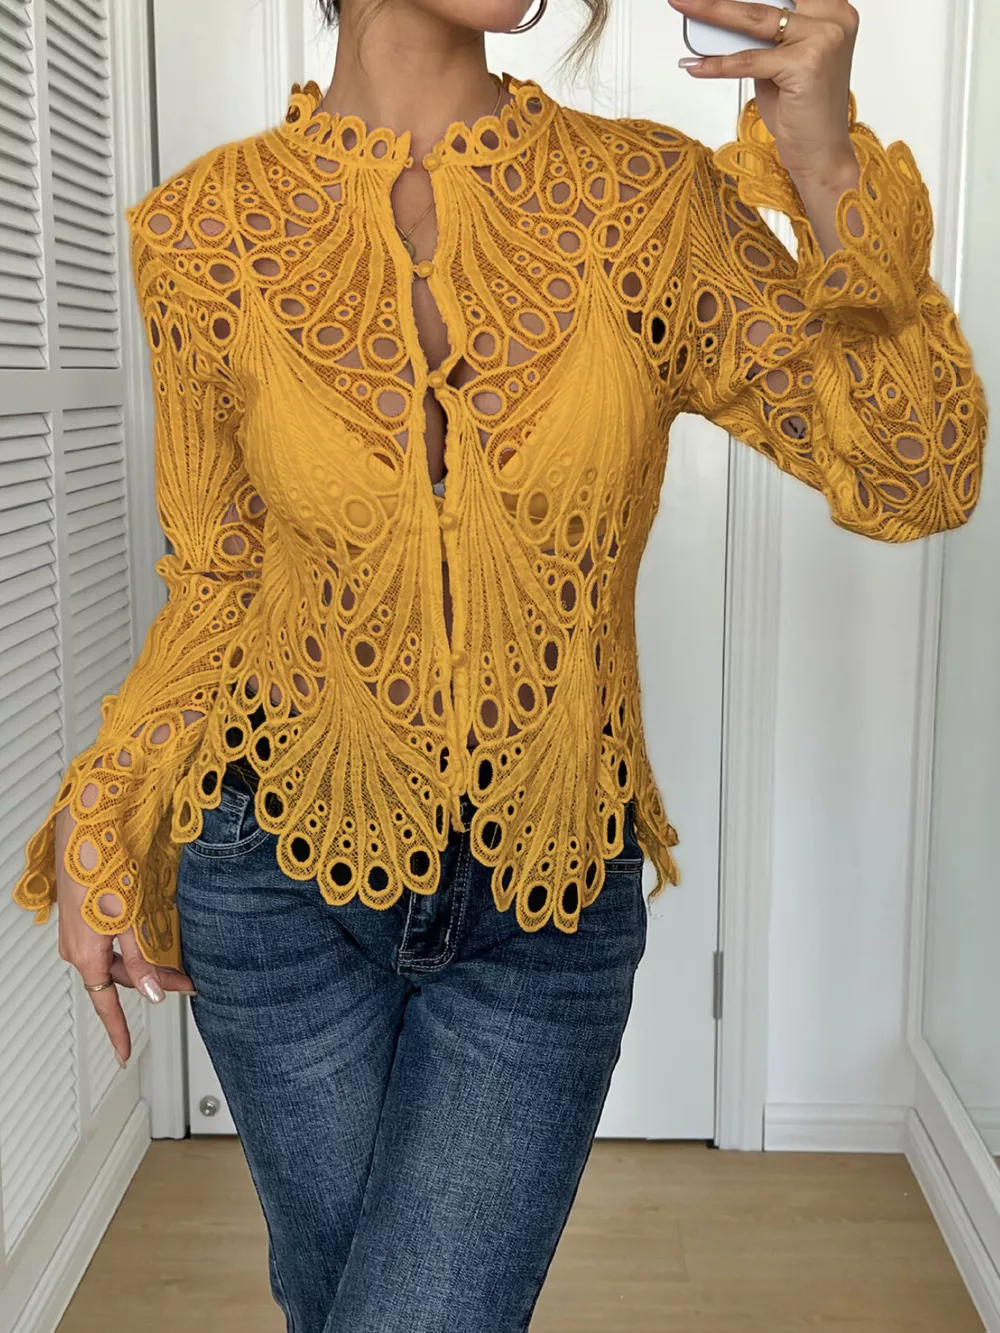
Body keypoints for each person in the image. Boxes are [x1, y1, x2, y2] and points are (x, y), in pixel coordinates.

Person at [12, 0, 986, 1329]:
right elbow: (220, 578)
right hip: (271, 876)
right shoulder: (203, 231)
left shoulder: (644, 203)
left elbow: (920, 471)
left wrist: (822, 164)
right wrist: (106, 803)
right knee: (336, 1304)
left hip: (549, 899)